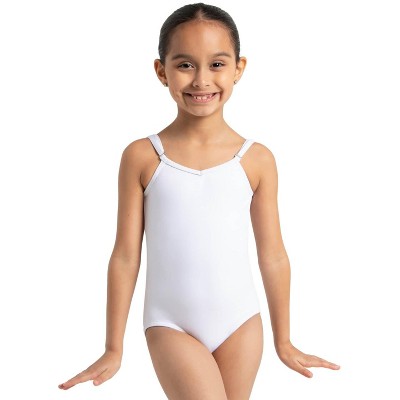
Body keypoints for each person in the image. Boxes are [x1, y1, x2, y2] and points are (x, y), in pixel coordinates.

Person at [58, 2, 340, 398]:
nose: (201, 80)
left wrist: (284, 340)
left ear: (239, 68)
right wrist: (113, 347)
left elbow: (273, 254)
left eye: (217, 64)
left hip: (242, 322)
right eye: (185, 65)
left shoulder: (256, 159)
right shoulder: (142, 157)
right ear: (162, 71)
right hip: (171, 324)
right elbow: (125, 255)